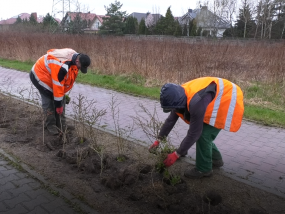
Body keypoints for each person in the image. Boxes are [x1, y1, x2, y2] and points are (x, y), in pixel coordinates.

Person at [149, 77, 244, 178]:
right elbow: (170, 121)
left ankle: (204, 169)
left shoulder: (196, 102)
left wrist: (177, 154)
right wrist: (158, 140)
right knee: (203, 134)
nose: (173, 110)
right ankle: (216, 159)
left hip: (227, 99)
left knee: (203, 134)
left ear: (177, 103)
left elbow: (194, 133)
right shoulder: (178, 95)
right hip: (212, 97)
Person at [30, 48, 91, 135]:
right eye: (80, 67)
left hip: (52, 74)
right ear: (77, 61)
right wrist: (58, 105)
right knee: (49, 101)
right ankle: (51, 126)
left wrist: (61, 98)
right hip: (40, 75)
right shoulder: (61, 66)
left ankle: (61, 124)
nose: (79, 69)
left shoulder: (75, 58)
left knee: (59, 99)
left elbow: (64, 82)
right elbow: (58, 86)